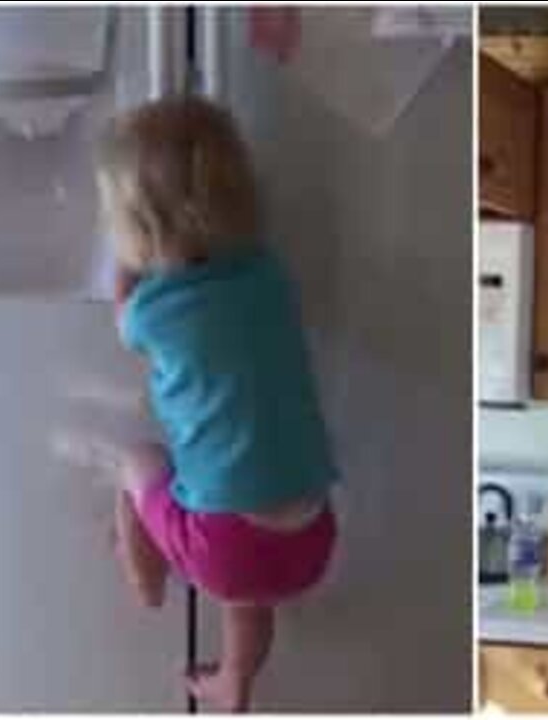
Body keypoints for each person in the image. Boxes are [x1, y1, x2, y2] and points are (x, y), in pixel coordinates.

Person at [97, 96, 339, 711]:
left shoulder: (153, 309)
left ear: (137, 229)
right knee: (248, 596)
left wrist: (126, 270)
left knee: (136, 459)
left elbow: (122, 319)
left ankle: (142, 567)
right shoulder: (269, 275)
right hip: (311, 536)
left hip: (224, 544)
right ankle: (236, 680)